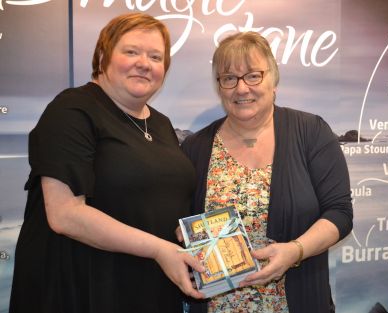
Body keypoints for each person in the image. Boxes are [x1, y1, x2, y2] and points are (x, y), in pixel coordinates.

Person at [9, 12, 204, 313]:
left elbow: (155, 198)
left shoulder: (161, 124)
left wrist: (183, 232)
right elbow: (65, 215)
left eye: (155, 56)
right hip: (85, 286)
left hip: (147, 286)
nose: (144, 62)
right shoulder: (72, 110)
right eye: (131, 51)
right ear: (103, 55)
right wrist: (160, 248)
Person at [181, 31, 353, 313]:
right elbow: (182, 223)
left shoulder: (311, 132)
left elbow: (340, 213)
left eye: (253, 75)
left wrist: (295, 251)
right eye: (229, 78)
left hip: (296, 303)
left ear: (273, 79)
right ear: (219, 86)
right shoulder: (196, 147)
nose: (241, 88)